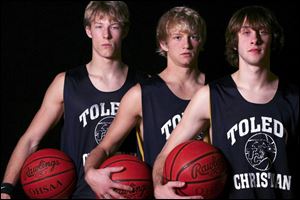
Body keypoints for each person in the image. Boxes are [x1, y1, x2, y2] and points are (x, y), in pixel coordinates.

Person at [152, 5, 299, 199]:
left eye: (263, 31)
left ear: (273, 40)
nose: (255, 39)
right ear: (234, 42)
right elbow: (165, 155)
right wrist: (158, 187)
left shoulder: (294, 97)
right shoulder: (211, 95)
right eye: (246, 32)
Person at [1, 1, 142, 199]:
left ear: (125, 30)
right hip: (79, 193)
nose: (106, 34)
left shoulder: (144, 85)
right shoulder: (66, 83)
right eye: (99, 26)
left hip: (129, 192)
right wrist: (6, 189)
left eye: (114, 26)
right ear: (88, 31)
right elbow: (31, 139)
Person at [84, 6, 208, 199]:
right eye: (177, 37)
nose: (186, 45)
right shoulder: (141, 94)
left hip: (207, 191)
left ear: (201, 42)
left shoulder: (216, 92)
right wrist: (91, 172)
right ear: (163, 43)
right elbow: (105, 147)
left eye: (193, 37)